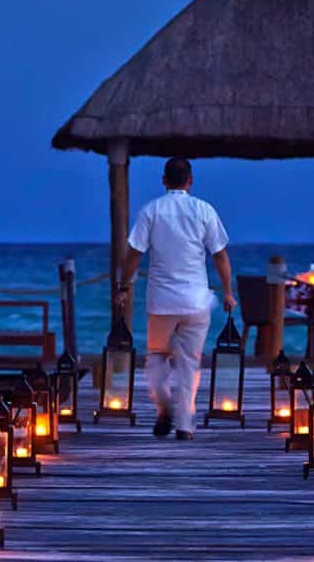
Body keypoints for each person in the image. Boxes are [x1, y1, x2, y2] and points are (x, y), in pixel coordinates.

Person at [114, 157, 235, 440]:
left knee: (156, 356)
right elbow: (219, 255)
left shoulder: (152, 211)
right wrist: (227, 291)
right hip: (196, 301)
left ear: (164, 180)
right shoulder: (204, 210)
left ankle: (163, 406)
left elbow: (133, 254)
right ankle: (184, 425)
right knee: (190, 362)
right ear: (190, 181)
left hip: (162, 302)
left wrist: (123, 286)